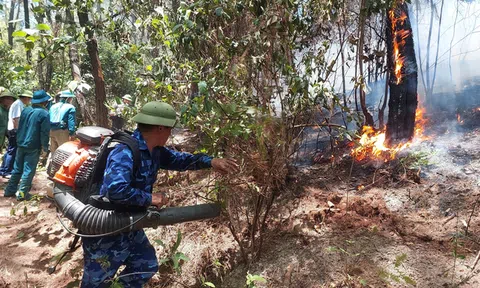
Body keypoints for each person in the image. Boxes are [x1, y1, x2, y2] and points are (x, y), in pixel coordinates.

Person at [81, 101, 239, 287]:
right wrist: (150, 198)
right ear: (161, 128)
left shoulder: (154, 151)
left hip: (130, 225)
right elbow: (115, 189)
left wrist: (211, 162)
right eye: (170, 129)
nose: (170, 133)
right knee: (96, 283)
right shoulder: (124, 150)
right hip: (106, 229)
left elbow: (181, 160)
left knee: (146, 265)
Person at [4, 90, 51, 201]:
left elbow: (20, 126)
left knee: (17, 168)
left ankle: (9, 190)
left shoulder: (26, 110)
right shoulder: (44, 114)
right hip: (33, 145)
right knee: (28, 170)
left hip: (21, 142)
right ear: (44, 102)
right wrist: (45, 147)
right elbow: (44, 133)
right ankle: (22, 194)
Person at [0, 90, 32, 178]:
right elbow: (16, 119)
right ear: (26, 98)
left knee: (10, 150)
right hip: (14, 130)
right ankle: (7, 171)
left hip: (12, 130)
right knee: (13, 151)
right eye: (29, 99)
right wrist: (17, 131)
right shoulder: (18, 104)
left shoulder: (19, 104)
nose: (29, 101)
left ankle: (3, 169)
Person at [0, 90, 17, 154]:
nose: (10, 101)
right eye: (8, 99)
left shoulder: (8, 111)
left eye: (11, 99)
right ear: (2, 99)